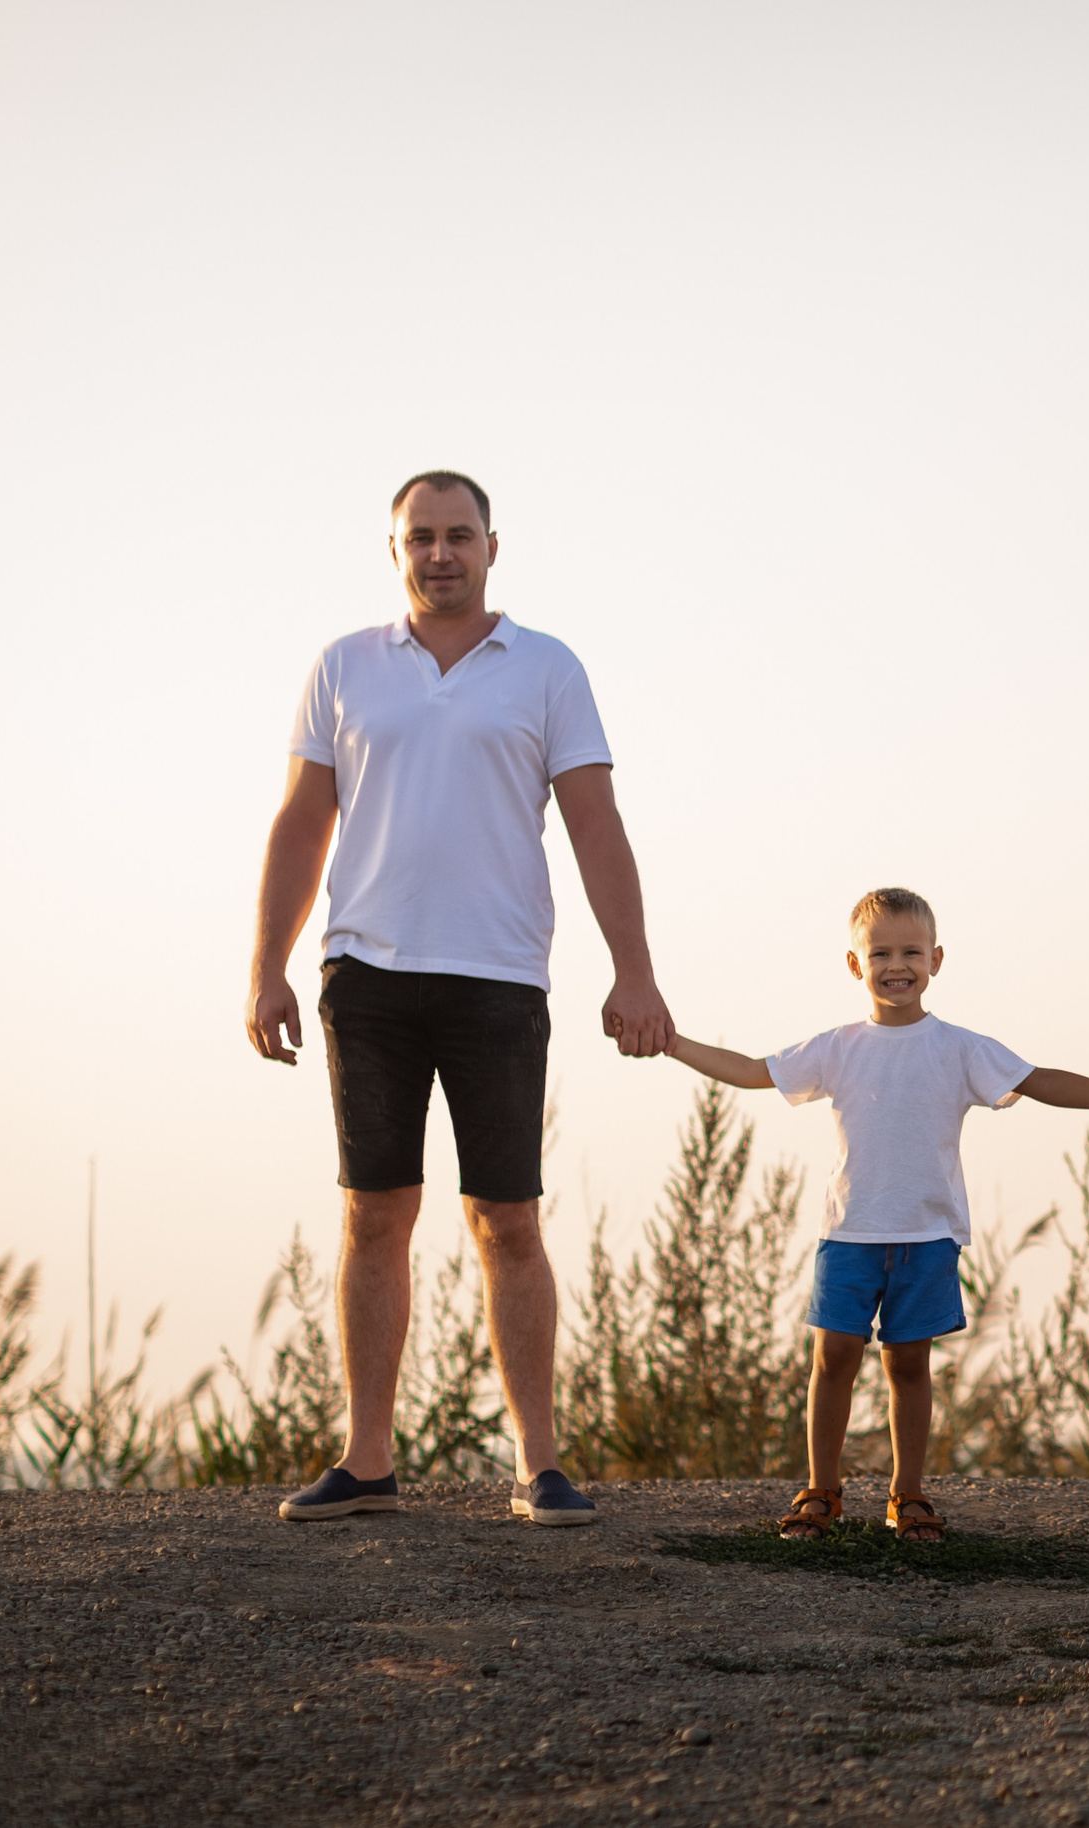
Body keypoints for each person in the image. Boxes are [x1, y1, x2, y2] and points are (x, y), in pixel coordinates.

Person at [246, 471, 674, 1528]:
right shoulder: (343, 667)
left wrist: (636, 968)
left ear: (493, 546)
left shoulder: (546, 668)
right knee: (374, 1212)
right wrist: (267, 966)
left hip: (498, 975)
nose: (441, 553)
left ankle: (539, 1464)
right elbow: (302, 826)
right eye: (420, 537)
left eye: (459, 536)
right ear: (393, 549)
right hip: (367, 974)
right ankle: (368, 1459)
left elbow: (595, 827)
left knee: (508, 1219)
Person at [664, 887, 1089, 1542]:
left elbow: (1037, 1080)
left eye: (911, 951)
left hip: (928, 1237)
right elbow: (752, 1071)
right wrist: (672, 1042)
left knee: (908, 1366)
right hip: (849, 1233)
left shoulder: (960, 1047)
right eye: (880, 952)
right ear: (855, 965)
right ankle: (820, 1491)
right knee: (832, 1359)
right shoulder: (836, 1047)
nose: (897, 965)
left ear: (936, 959)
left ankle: (907, 1496)